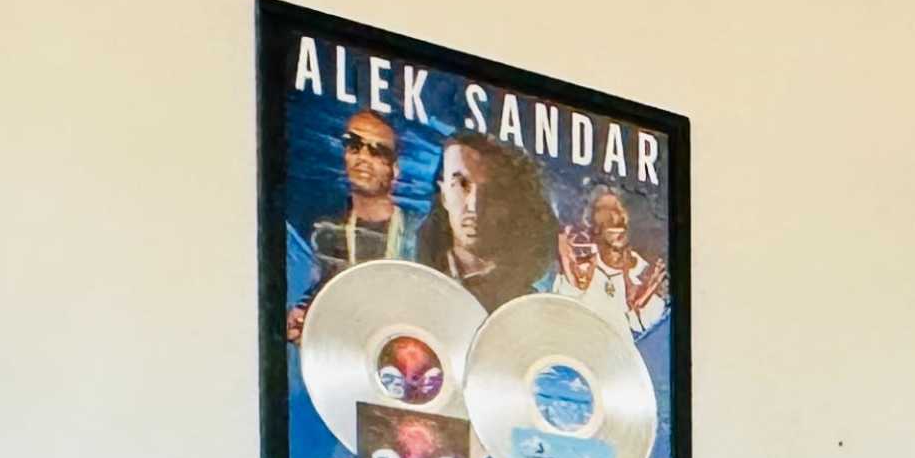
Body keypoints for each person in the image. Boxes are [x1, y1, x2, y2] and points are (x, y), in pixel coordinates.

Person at [283, 107, 407, 340]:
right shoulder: (323, 233)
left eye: (377, 151)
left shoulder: (418, 234)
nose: (363, 158)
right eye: (354, 146)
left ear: (395, 169)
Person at [416, 130, 561, 310]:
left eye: (493, 190)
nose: (475, 205)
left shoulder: (530, 309)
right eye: (462, 185)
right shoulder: (414, 287)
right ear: (444, 194)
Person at [557, 182, 670, 336]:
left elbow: (652, 329)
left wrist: (637, 306)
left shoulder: (646, 274)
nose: (616, 216)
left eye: (619, 209)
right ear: (591, 223)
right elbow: (561, 312)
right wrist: (572, 281)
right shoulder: (581, 267)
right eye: (605, 210)